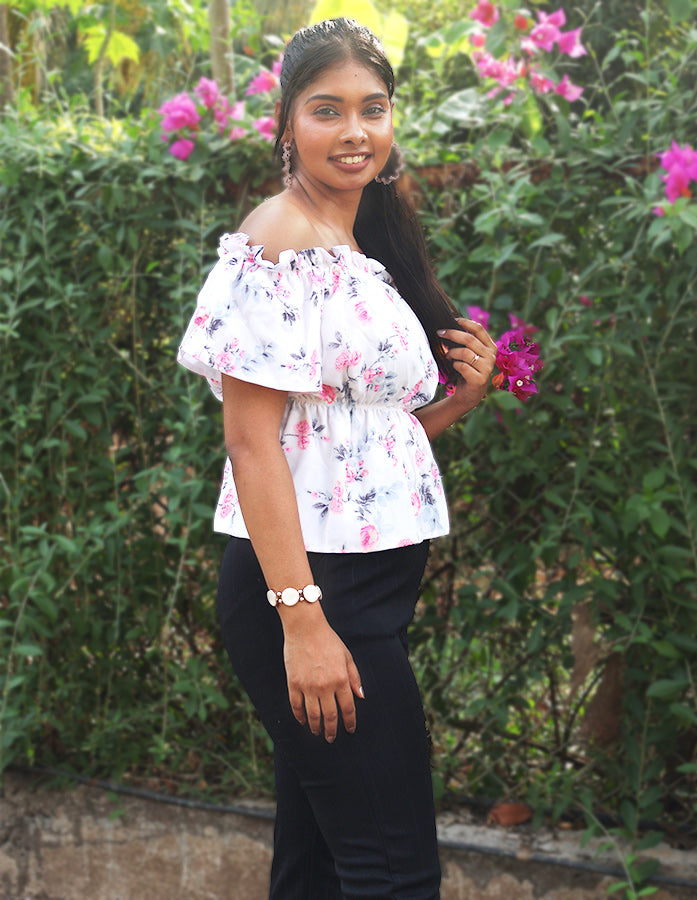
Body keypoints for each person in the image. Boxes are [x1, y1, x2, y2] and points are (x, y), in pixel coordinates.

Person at [178, 17, 496, 899]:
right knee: (392, 871)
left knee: (321, 862)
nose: (354, 131)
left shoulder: (357, 246)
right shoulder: (278, 240)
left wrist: (454, 403)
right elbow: (250, 441)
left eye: (373, 109)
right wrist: (303, 622)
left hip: (356, 585)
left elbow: (353, 452)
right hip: (316, 592)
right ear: (286, 123)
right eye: (328, 110)